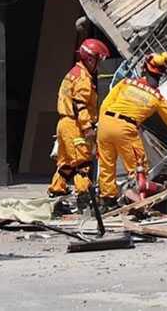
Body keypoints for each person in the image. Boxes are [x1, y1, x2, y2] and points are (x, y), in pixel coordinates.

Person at [96, 52, 167, 210]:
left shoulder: (125, 83)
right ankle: (141, 202)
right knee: (138, 169)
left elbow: (105, 104)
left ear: (144, 70)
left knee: (107, 166)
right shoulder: (156, 97)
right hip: (126, 128)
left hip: (105, 125)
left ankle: (107, 201)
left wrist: (102, 125)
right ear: (160, 76)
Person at [48, 39, 110, 209]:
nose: (99, 65)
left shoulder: (74, 73)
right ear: (91, 59)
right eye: (99, 60)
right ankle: (85, 197)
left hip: (64, 124)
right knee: (83, 163)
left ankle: (57, 191)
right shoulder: (83, 78)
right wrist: (88, 128)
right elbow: (79, 104)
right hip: (74, 125)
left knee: (67, 163)